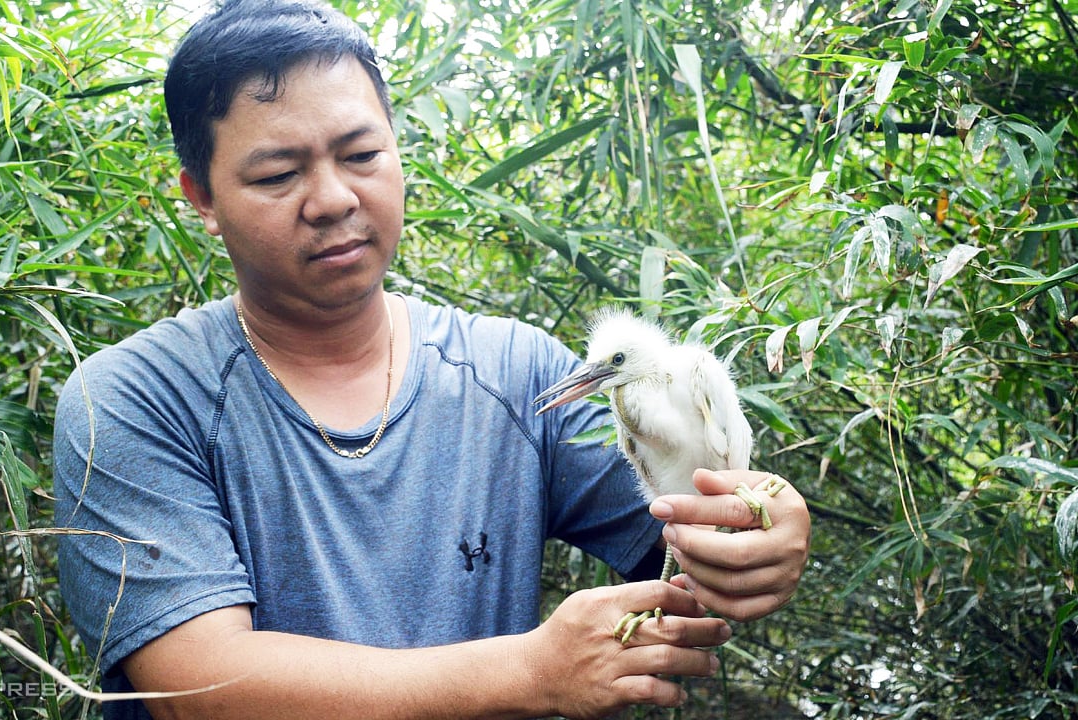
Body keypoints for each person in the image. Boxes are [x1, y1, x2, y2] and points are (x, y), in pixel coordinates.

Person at [52, 1, 811, 718]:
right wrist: (532, 672)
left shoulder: (518, 373)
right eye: (278, 175)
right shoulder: (131, 400)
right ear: (202, 197)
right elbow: (203, 686)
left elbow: (694, 534)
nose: (332, 198)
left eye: (361, 154)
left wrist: (763, 527)